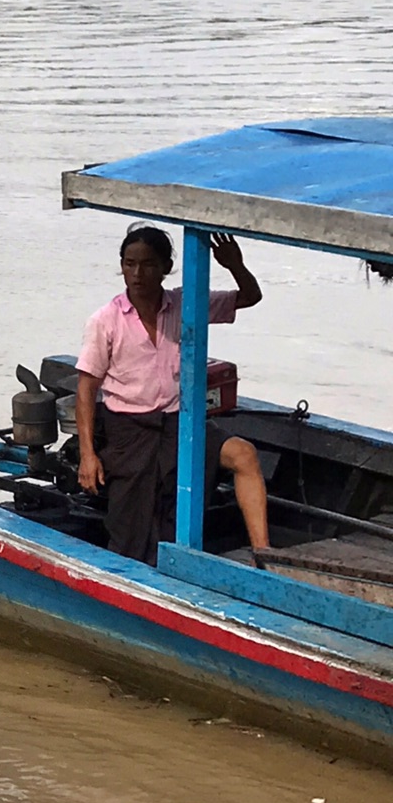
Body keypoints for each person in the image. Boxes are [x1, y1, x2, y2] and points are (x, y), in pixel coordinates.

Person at [74, 223, 269, 564]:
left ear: (165, 267)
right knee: (131, 533)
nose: (137, 273)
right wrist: (88, 455)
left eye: (148, 264)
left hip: (180, 423)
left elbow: (250, 297)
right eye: (130, 263)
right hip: (129, 430)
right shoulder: (106, 320)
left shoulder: (184, 304)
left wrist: (234, 265)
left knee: (244, 455)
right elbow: (86, 389)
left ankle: (265, 557)